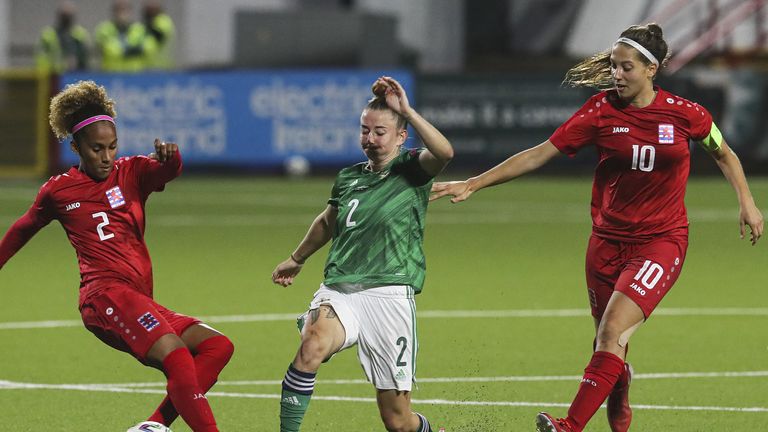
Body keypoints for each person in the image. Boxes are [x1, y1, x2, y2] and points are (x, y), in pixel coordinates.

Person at [430, 23, 763, 432]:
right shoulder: (600, 111)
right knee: (608, 345)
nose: (617, 75)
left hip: (661, 242)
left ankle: (570, 425)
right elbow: (539, 154)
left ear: (651, 69)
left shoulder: (687, 114)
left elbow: (724, 154)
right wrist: (475, 182)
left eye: (626, 68)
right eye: (613, 67)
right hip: (605, 245)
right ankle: (619, 388)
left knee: (610, 335)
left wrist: (747, 203)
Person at [0, 80, 234, 432]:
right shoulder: (58, 191)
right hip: (104, 297)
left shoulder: (132, 172)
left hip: (138, 299)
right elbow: (23, 228)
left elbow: (166, 171)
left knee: (218, 346)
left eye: (112, 147)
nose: (106, 156)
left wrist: (173, 158)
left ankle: (153, 427)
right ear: (76, 146)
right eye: (96, 149)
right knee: (178, 358)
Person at [271, 76, 454, 432]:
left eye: (380, 132)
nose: (369, 139)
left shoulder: (412, 171)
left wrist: (408, 112)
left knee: (398, 422)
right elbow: (328, 221)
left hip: (389, 294)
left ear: (401, 137)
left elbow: (445, 153)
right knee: (311, 347)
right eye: (364, 130)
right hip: (341, 289)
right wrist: (297, 258)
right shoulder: (348, 177)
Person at [94, 0, 156, 72]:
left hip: (136, 73)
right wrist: (134, 50)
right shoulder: (104, 29)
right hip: (112, 73)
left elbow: (149, 47)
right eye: (119, 10)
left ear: (130, 11)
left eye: (125, 10)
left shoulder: (139, 29)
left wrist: (124, 50)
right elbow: (110, 50)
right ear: (114, 12)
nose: (122, 13)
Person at [36, 0, 90, 73]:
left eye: (69, 16)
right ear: (59, 16)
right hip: (54, 76)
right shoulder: (48, 34)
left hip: (76, 75)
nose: (66, 19)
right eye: (64, 16)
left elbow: (85, 58)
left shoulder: (80, 34)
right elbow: (42, 58)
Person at [143, 0, 176, 69]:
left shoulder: (163, 21)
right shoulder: (150, 21)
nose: (150, 4)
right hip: (150, 67)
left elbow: (157, 38)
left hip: (163, 67)